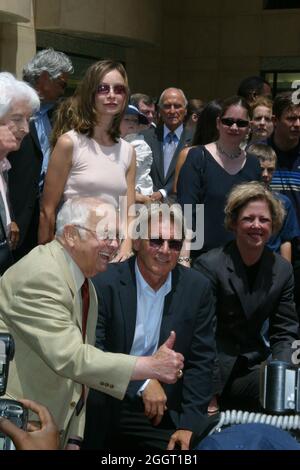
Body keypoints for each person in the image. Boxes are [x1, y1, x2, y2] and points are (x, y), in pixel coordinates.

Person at [0, 197, 184, 449]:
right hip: (18, 428)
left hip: (51, 428)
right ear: (71, 235)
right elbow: (72, 358)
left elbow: (80, 377)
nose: (115, 244)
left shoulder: (86, 284)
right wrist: (150, 366)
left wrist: (75, 435)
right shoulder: (42, 275)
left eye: (118, 236)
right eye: (106, 235)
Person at [84, 202, 215, 450]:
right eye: (156, 240)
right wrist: (143, 381)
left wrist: (188, 425)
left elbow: (201, 361)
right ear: (135, 242)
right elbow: (93, 352)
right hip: (107, 400)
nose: (165, 250)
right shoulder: (104, 283)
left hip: (164, 409)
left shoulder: (197, 289)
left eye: (174, 244)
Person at [193, 182, 299, 412]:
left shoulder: (281, 270)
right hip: (211, 371)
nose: (256, 226)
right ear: (233, 223)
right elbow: (202, 336)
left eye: (264, 220)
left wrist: (283, 378)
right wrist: (209, 394)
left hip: (254, 366)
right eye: (248, 219)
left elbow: (285, 331)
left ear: (274, 226)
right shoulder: (208, 266)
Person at [39, 60, 136, 261]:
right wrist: (45, 258)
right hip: (71, 251)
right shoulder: (69, 143)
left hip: (111, 254)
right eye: (103, 88)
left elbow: (129, 211)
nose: (111, 95)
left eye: (119, 89)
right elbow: (47, 211)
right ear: (91, 93)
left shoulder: (128, 151)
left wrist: (126, 248)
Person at [7, 48, 73, 262]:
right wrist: (7, 214)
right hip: (12, 217)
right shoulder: (11, 105)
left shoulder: (57, 116)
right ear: (44, 77)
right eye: (62, 83)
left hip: (41, 217)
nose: (64, 90)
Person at [177, 96, 261, 261]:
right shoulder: (198, 157)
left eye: (241, 123)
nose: (234, 127)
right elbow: (187, 209)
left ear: (249, 127)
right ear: (218, 123)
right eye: (228, 121)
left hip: (241, 257)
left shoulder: (253, 164)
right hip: (201, 256)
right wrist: (184, 255)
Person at [0, 72, 40, 274]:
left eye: (28, 119)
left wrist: (9, 219)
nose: (25, 129)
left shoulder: (4, 166)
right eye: (17, 119)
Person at [248, 143, 300, 261]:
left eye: (270, 170)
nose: (266, 175)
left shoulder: (283, 202)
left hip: (271, 264)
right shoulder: (237, 199)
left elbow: (286, 240)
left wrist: (286, 273)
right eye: (261, 169)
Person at [141, 87, 193, 202]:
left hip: (183, 207)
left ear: (185, 110)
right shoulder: (145, 137)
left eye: (177, 106)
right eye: (167, 106)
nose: (172, 111)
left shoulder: (195, 141)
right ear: (159, 110)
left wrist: (163, 193)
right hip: (149, 206)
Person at [173, 99, 222, 193]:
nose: (233, 127)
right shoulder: (188, 154)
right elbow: (179, 193)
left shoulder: (239, 156)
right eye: (227, 121)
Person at [120, 104, 153, 203]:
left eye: (135, 120)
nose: (132, 123)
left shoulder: (140, 145)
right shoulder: (115, 142)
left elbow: (127, 172)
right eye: (127, 119)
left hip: (139, 194)